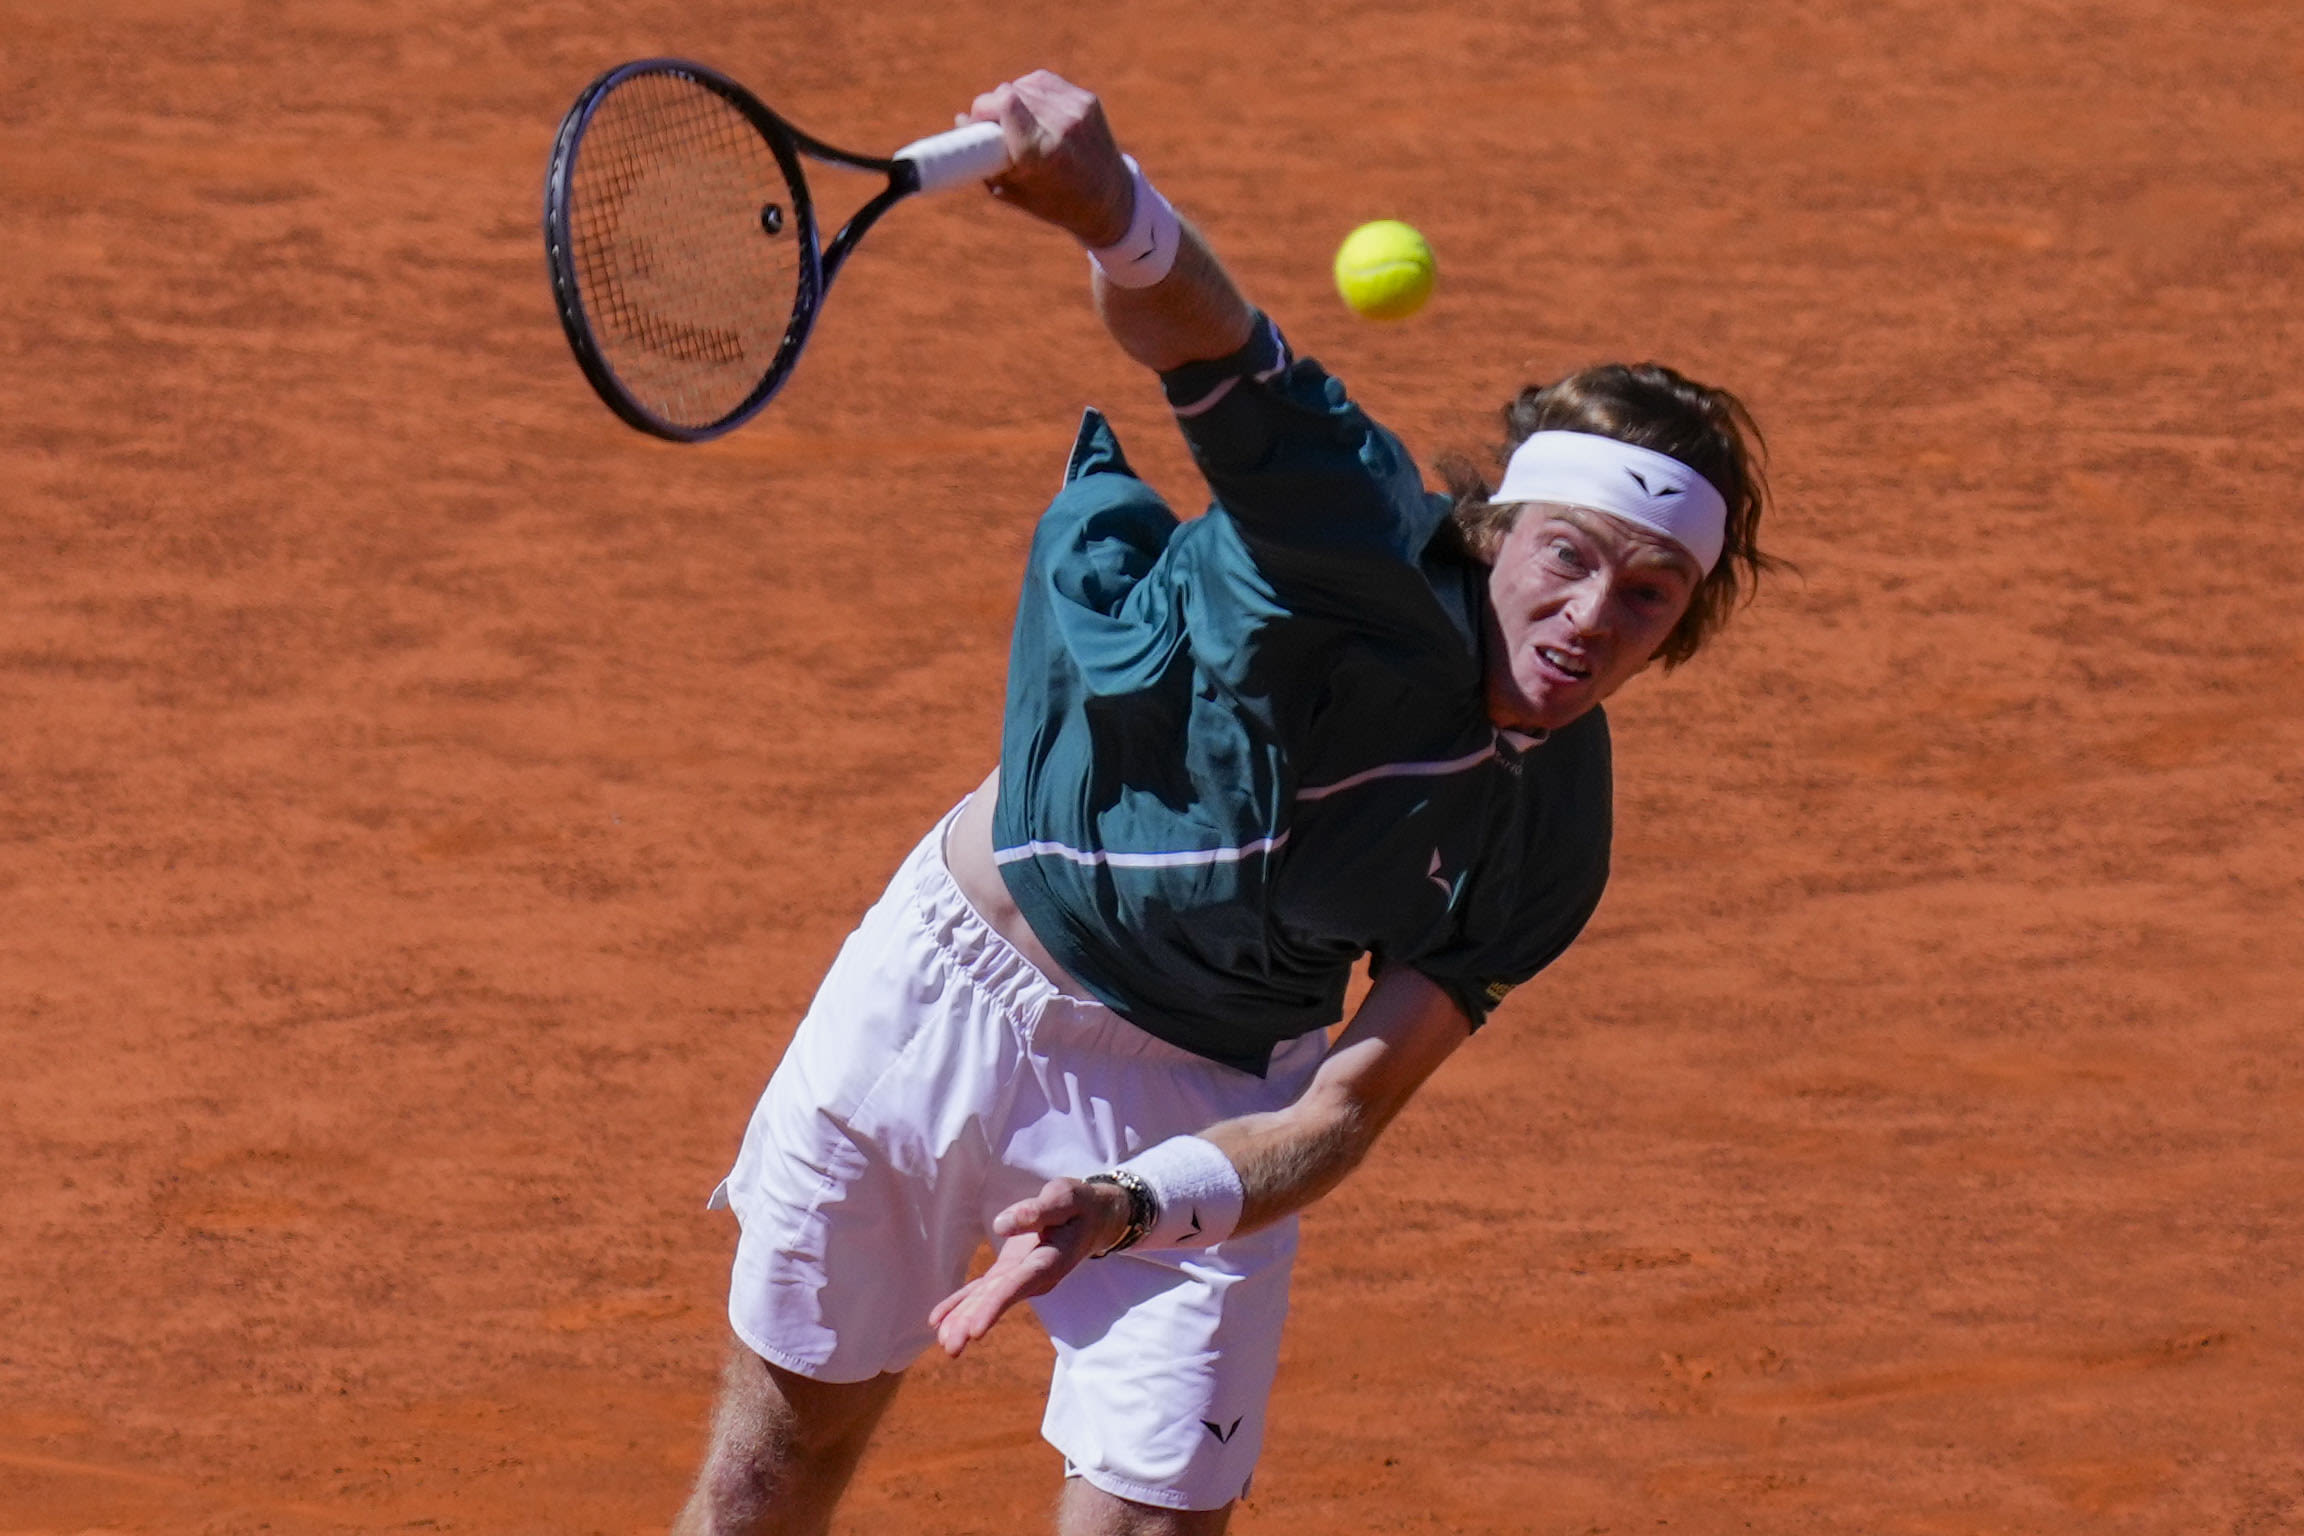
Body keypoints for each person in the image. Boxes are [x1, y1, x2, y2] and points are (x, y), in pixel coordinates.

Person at [673, 69, 1773, 1536]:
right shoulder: (1356, 529)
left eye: (1650, 597)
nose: (1591, 616)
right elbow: (1217, 345)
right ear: (1493, 530)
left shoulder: (1548, 837)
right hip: (952, 997)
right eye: (1567, 558)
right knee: (772, 1474)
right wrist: (1113, 212)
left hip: (1204, 1092)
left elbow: (1343, 1105)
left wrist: (1133, 1203)